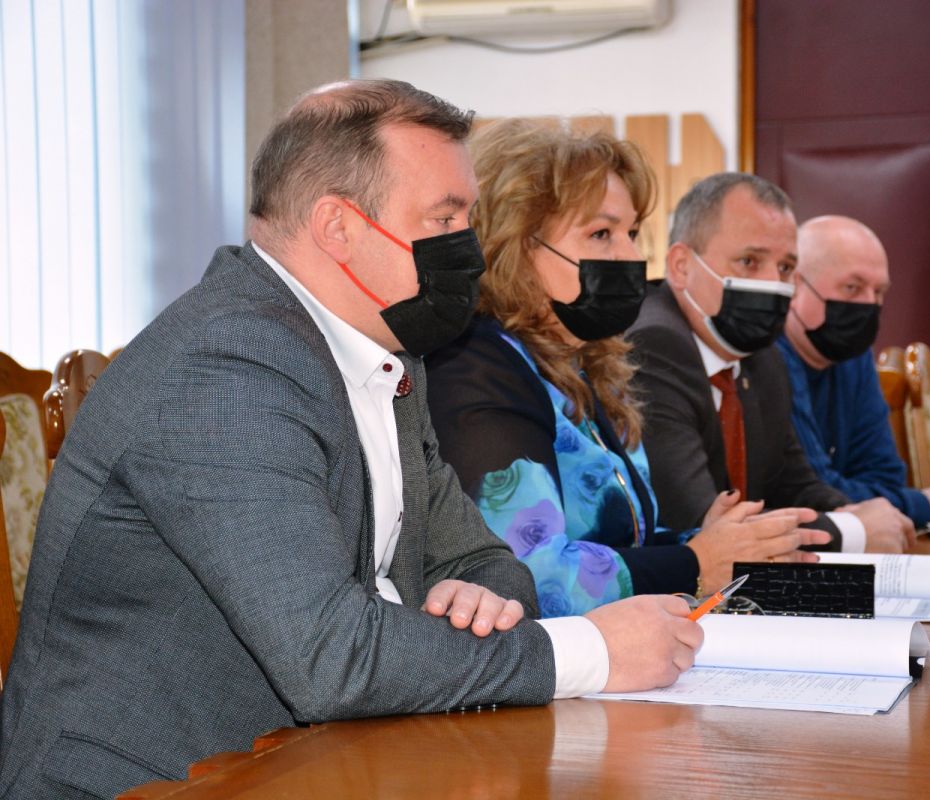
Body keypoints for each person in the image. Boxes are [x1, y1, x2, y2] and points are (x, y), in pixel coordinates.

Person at [0, 80, 701, 799]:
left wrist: (480, 602)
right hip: (158, 780)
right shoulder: (225, 366)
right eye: (444, 217)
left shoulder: (387, 351)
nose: (468, 247)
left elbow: (486, 560)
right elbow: (331, 657)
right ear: (337, 227)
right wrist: (591, 650)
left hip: (321, 757)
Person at [424, 119, 830, 617]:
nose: (633, 256)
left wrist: (717, 542)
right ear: (517, 244)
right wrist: (695, 561)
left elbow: (621, 541)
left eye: (632, 233)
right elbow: (524, 575)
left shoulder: (580, 363)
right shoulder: (475, 368)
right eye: (602, 233)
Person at [627, 173, 915, 554]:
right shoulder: (653, 344)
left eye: (785, 268)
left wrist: (856, 513)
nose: (772, 284)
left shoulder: (763, 357)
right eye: (749, 261)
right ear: (681, 266)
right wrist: (853, 531)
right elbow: (699, 522)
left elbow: (794, 485)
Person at [778, 215, 930, 528]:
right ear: (795, 285)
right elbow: (812, 492)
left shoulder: (854, 356)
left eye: (878, 292)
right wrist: (923, 505)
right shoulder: (769, 357)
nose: (868, 305)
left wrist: (880, 503)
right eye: (852, 288)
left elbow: (886, 476)